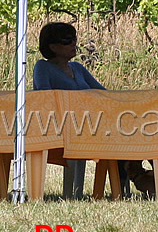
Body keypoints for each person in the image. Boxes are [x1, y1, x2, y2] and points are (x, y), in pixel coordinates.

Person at [33, 22, 129, 199]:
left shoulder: (77, 68)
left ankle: (135, 178)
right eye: (67, 40)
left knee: (129, 129)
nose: (73, 43)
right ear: (52, 46)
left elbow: (101, 93)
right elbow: (43, 98)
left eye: (74, 39)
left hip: (89, 125)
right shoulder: (42, 67)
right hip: (57, 127)